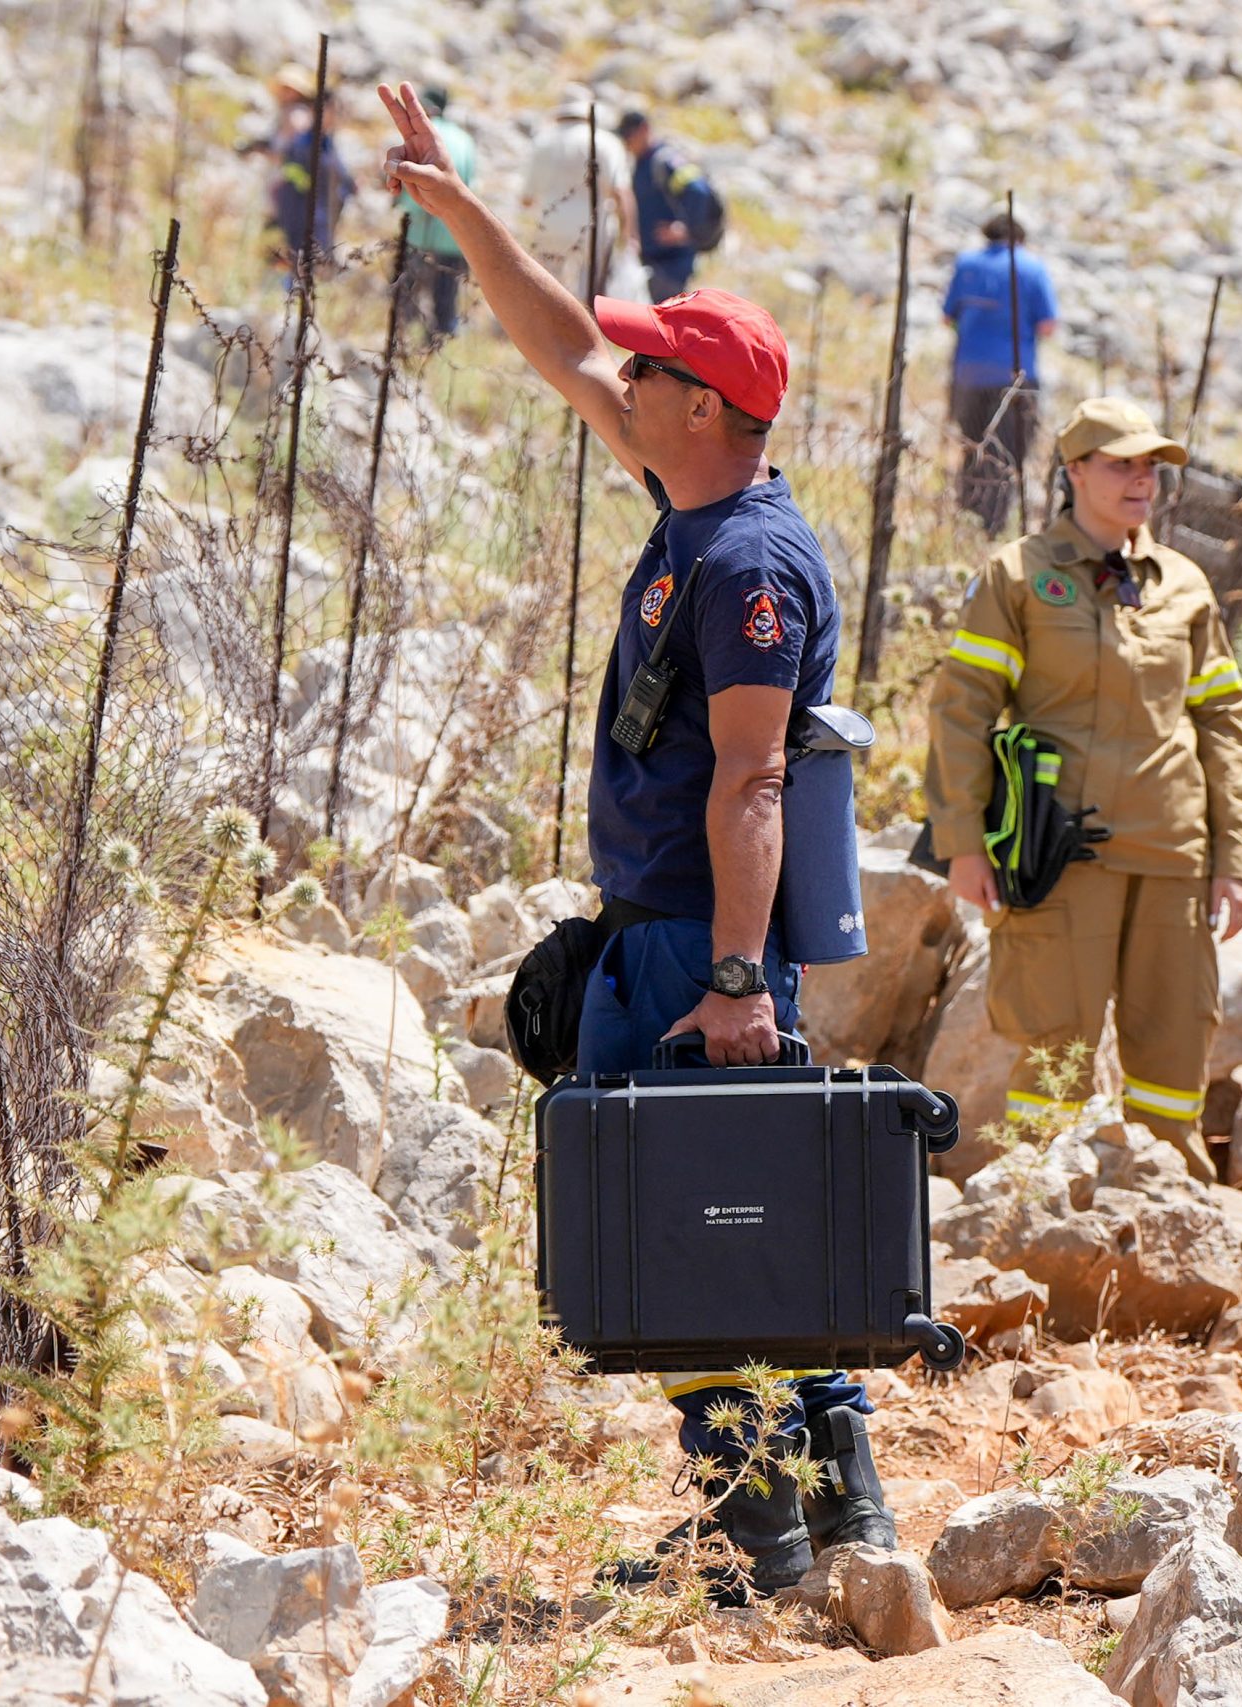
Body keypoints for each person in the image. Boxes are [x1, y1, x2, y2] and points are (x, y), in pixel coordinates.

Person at [379, 81, 892, 1603]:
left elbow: (751, 780)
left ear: (713, 409)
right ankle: (823, 1528)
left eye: (658, 365)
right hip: (669, 927)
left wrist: (737, 977)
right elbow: (561, 343)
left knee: (709, 1230)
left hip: (701, 936)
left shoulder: (746, 564)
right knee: (732, 1221)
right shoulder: (689, 490)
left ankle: (779, 1542)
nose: (629, 374)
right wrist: (462, 213)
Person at [923, 398, 1242, 1183]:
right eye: (1122, 463)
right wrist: (964, 842)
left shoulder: (1185, 585)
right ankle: (1038, 1210)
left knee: (1174, 1051)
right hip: (1060, 856)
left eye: (1151, 465)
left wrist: (1233, 858)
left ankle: (1169, 1208)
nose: (1142, 478)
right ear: (1074, 471)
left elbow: (1224, 726)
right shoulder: (1020, 575)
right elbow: (963, 710)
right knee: (1057, 1050)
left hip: (1174, 855)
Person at [944, 212, 1059, 533]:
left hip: (969, 375)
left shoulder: (967, 264)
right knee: (1007, 455)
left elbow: (947, 317)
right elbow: (1048, 325)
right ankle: (992, 527)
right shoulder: (1031, 267)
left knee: (973, 450)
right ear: (1019, 238)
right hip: (1015, 378)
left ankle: (965, 520)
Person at [519, 85, 636, 297]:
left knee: (548, 287)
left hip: (551, 221)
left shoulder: (544, 142)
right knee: (591, 289)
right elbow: (621, 192)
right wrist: (628, 235)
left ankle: (548, 325)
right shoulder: (607, 143)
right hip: (593, 226)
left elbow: (527, 198)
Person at [254, 64, 356, 289]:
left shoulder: (324, 142)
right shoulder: (305, 142)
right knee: (292, 260)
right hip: (298, 212)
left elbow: (338, 178)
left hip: (317, 214)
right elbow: (295, 172)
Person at [394, 85, 476, 344]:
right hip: (453, 229)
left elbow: (411, 186)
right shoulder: (465, 139)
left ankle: (404, 338)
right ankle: (442, 339)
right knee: (445, 293)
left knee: (407, 291)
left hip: (419, 226)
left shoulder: (424, 136)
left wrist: (404, 206)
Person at [618, 110, 718, 300]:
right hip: (652, 264)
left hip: (670, 268)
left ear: (644, 130)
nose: (627, 142)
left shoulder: (664, 162)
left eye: (629, 135)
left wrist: (687, 230)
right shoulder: (641, 163)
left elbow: (698, 190)